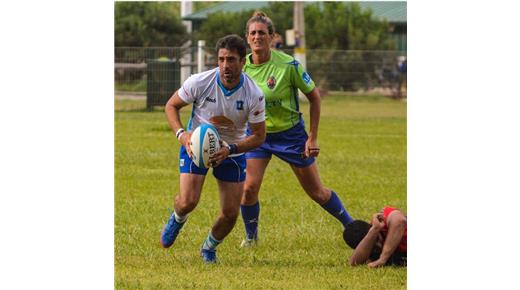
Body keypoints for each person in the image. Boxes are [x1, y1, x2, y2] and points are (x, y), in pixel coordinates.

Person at [239, 11, 354, 247]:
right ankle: (251, 238)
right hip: (257, 136)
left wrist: (312, 137)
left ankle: (352, 226)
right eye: (253, 33)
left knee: (317, 192)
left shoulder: (288, 65)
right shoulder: (242, 67)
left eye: (262, 32)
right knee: (249, 188)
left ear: (272, 37)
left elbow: (314, 97)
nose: (257, 36)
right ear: (247, 38)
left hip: (290, 135)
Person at [160, 34, 266, 263]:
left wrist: (232, 148)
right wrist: (183, 135)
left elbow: (259, 136)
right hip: (196, 145)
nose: (225, 65)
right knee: (188, 201)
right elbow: (171, 105)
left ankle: (208, 248)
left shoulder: (254, 94)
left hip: (232, 151)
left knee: (230, 214)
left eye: (231, 60)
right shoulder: (200, 82)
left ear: (243, 62)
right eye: (221, 59)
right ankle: (178, 217)